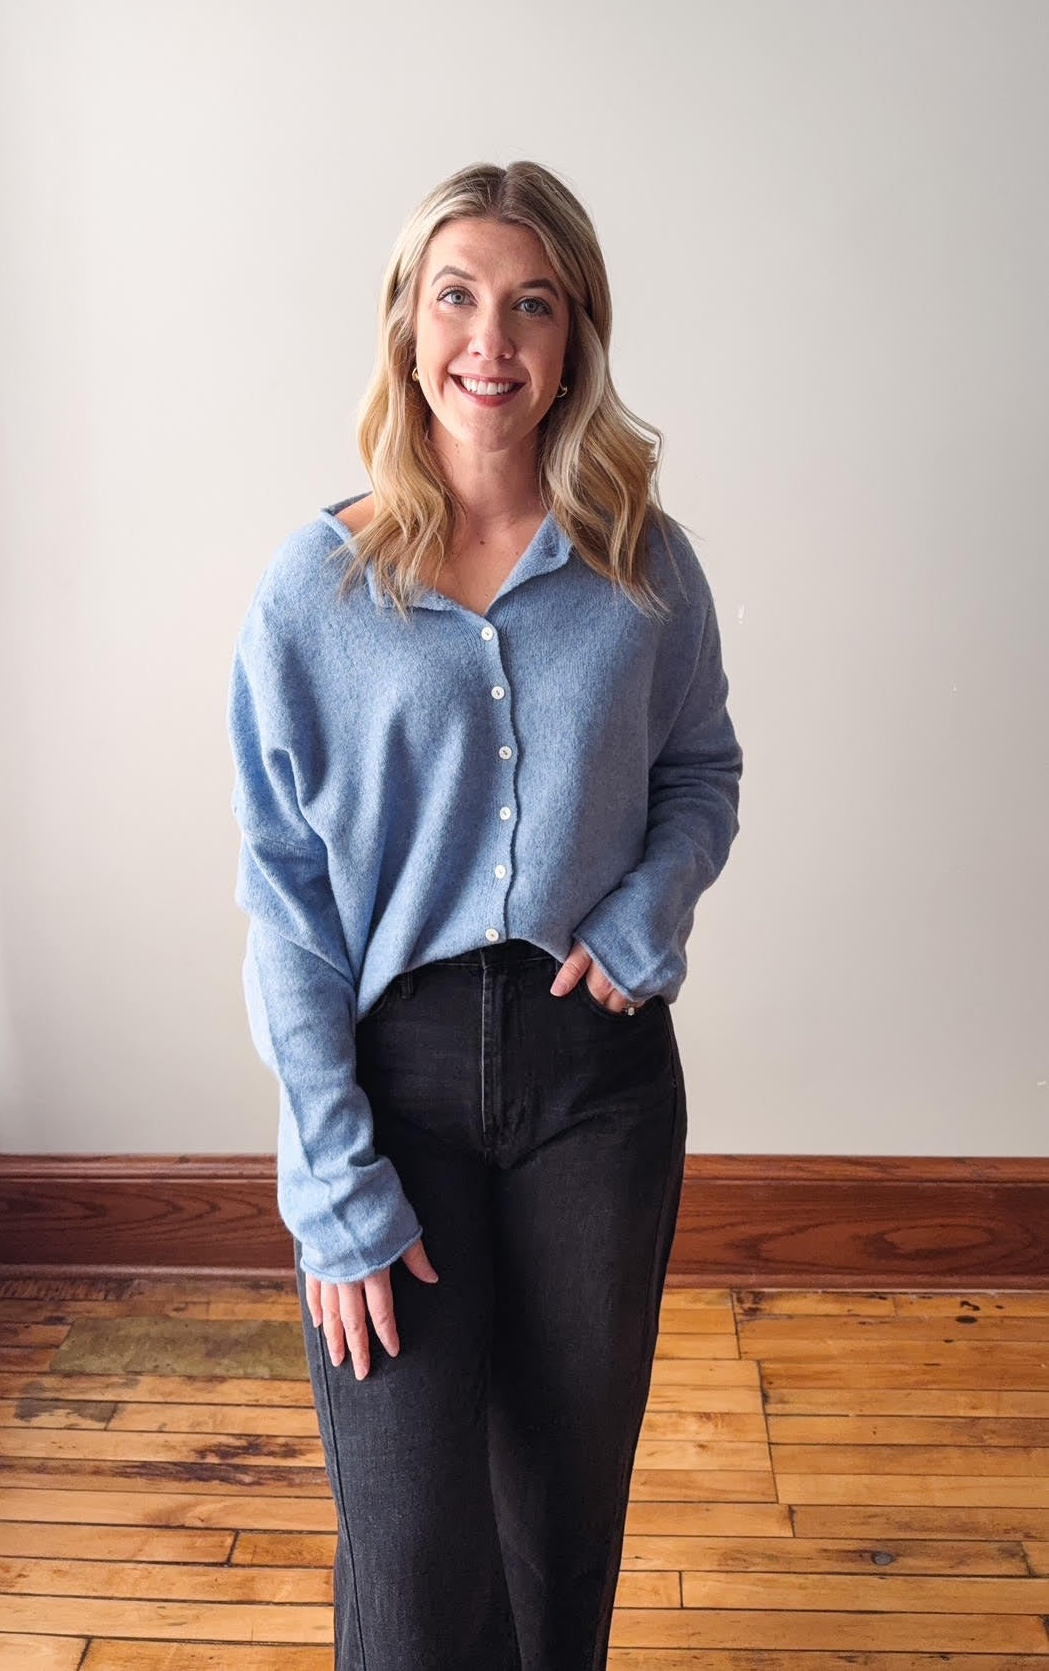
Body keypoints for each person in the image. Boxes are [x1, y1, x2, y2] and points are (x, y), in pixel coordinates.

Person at [227, 159, 742, 1671]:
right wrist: (331, 1177)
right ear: (406, 326)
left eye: (532, 304)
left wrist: (651, 908)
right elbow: (288, 901)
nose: (491, 338)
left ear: (575, 338)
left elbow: (701, 767)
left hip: (601, 1085)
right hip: (399, 1093)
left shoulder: (644, 561)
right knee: (408, 1544)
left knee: (561, 1527)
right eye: (456, 295)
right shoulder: (314, 591)